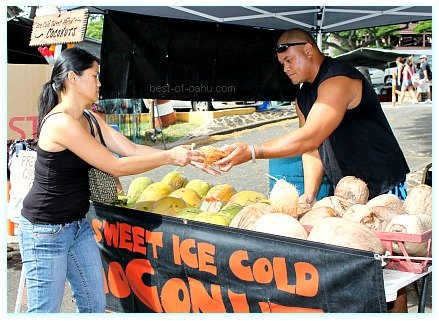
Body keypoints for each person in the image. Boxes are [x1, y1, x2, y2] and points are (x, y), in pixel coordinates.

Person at [215, 28, 410, 311]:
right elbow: (311, 149)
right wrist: (308, 194)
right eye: (281, 65)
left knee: (391, 275)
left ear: (308, 49)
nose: (285, 69)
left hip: (384, 184)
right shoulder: (303, 96)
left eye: (289, 60)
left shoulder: (339, 78)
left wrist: (254, 151)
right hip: (347, 192)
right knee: (360, 269)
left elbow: (311, 135)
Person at [18, 47, 212, 313]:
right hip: (45, 230)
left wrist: (183, 156)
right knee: (44, 311)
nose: (100, 83)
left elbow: (130, 149)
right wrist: (168, 158)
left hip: (77, 225)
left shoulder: (89, 118)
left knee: (93, 303)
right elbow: (115, 165)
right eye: (95, 76)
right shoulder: (60, 123)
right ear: (73, 78)